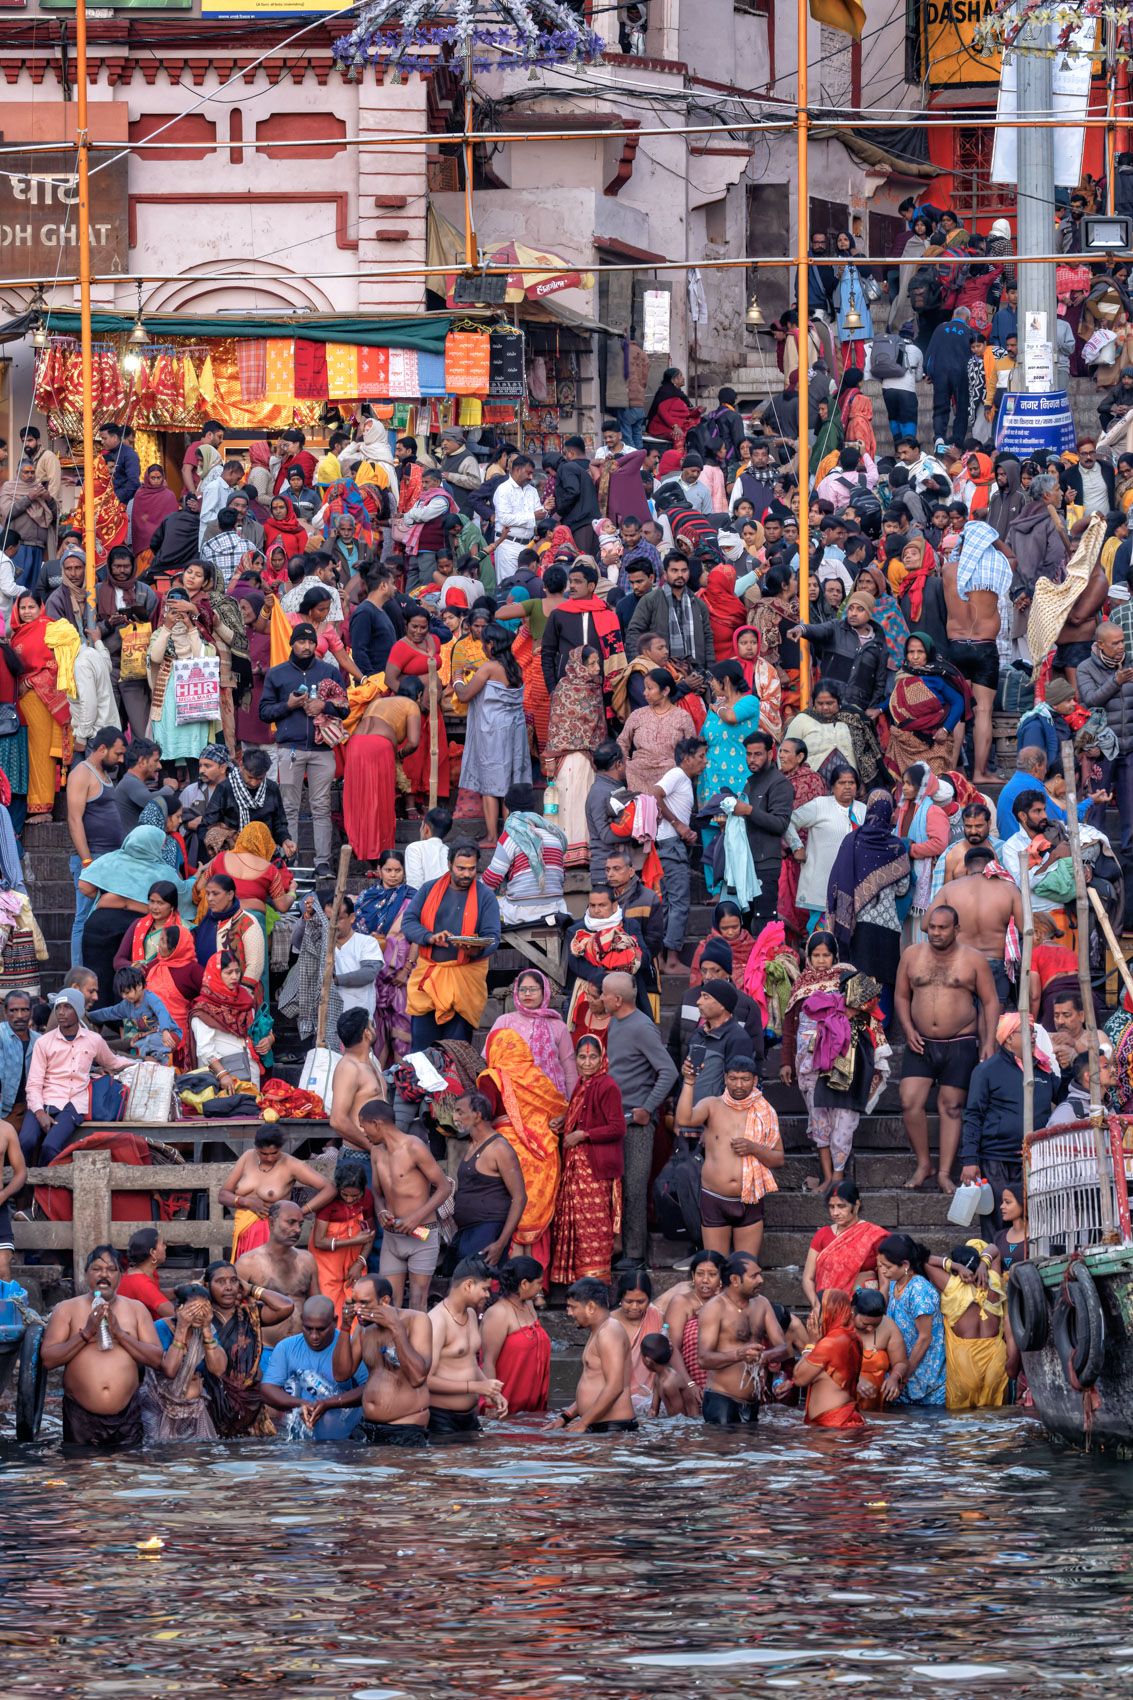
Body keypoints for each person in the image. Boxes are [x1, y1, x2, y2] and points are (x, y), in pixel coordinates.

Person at [895, 903, 1000, 1193]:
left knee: (951, 1106)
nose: (936, 932)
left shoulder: (974, 959)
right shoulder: (911, 955)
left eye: (943, 927)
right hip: (921, 1042)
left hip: (961, 1041)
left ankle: (944, 1172)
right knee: (909, 1100)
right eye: (932, 927)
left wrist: (989, 1041)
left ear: (956, 929)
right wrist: (907, 1029)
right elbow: (902, 997)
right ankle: (924, 1163)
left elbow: (990, 1001)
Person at [41, 1243, 163, 1448]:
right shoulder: (66, 1309)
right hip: (81, 1417)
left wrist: (120, 1334)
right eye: (97, 1269)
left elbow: (156, 1358)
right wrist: (86, 1333)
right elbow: (48, 1359)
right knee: (84, 1476)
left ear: (120, 1275)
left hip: (128, 1415)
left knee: (128, 1476)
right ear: (86, 1274)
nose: (103, 1274)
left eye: (111, 1269)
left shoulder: (136, 1309)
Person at [260, 621, 348, 880]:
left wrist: (324, 706)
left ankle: (322, 863)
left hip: (322, 750)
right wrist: (287, 705)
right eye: (302, 641)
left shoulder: (329, 671)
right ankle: (290, 859)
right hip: (290, 749)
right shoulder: (277, 674)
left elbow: (345, 707)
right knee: (288, 807)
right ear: (292, 643)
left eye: (311, 642)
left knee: (321, 806)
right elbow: (264, 712)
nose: (307, 646)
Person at [601, 971, 679, 1266]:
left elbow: (668, 1071)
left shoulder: (641, 1027)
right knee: (618, 1187)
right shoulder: (616, 1022)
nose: (600, 997)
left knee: (634, 1187)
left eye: (605, 993)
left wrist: (647, 1107)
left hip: (636, 1122)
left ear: (617, 999)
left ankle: (635, 1253)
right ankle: (620, 1246)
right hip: (616, 1119)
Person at [676, 1055, 783, 1259]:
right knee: (715, 1267)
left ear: (754, 1080)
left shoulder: (765, 1111)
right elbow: (683, 1119)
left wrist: (754, 1148)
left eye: (745, 1079)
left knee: (744, 1270)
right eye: (733, 1078)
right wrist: (689, 1082)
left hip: (749, 1198)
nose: (739, 1085)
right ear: (725, 1078)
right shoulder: (711, 1105)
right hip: (714, 1197)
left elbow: (778, 1159)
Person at [960, 1012, 1053, 1231]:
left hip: (1034, 1158)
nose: (1032, 1036)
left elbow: (1065, 1093)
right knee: (998, 1221)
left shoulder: (1043, 1068)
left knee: (1033, 1219)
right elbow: (973, 1115)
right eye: (1026, 1031)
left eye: (1033, 1031)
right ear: (1009, 1038)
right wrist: (969, 1159)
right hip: (996, 1159)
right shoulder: (986, 1071)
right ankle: (995, 1264)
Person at [402, 844, 500, 1046]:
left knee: (457, 1051)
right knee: (422, 1050)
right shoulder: (429, 889)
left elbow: (493, 937)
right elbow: (408, 922)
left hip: (464, 983)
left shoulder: (486, 896)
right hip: (429, 981)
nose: (466, 874)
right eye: (461, 868)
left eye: (471, 869)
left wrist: (475, 948)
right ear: (449, 865)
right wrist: (429, 937)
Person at [359, 1098, 452, 1311]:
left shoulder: (414, 1147)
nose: (364, 1133)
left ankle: (418, 1345)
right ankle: (392, 1346)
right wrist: (381, 1210)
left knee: (418, 1301)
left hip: (422, 1233)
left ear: (376, 1124)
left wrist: (415, 1218)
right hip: (393, 1236)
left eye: (364, 1127)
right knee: (388, 1301)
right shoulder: (376, 1152)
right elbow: (377, 1192)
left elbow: (444, 1188)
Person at [18, 992, 130, 1163]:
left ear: (78, 1010)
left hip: (73, 1104)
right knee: (26, 1141)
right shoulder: (44, 1042)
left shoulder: (94, 1040)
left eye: (68, 1007)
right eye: (59, 1008)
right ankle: (21, 1184)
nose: (61, 1012)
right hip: (44, 1101)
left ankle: (43, 1187)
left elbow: (113, 1062)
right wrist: (39, 1112)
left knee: (50, 1146)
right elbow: (34, 1083)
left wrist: (142, 1062)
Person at [550, 1035, 625, 1286]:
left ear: (602, 1058)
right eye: (582, 1057)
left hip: (595, 1167)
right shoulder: (583, 1084)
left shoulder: (607, 1086)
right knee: (578, 1223)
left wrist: (584, 1135)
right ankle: (578, 1282)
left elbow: (617, 1128)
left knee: (593, 1222)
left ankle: (594, 1282)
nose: (587, 1062)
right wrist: (564, 1120)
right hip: (578, 1164)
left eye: (593, 1057)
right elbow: (582, 1115)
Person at [825, 791, 911, 995]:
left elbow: (839, 879)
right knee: (886, 978)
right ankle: (884, 1024)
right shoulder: (895, 846)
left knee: (859, 977)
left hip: (856, 923)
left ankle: (860, 1025)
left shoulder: (851, 841)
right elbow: (902, 889)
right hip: (887, 924)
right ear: (889, 812)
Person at [453, 624, 531, 846]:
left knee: (491, 785)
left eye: (484, 642)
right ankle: (510, 836)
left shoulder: (489, 668)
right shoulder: (515, 667)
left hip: (493, 731)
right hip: (514, 729)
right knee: (508, 784)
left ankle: (492, 836)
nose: (482, 646)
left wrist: (458, 679)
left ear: (492, 644)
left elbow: (466, 695)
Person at [333, 1274, 432, 1447]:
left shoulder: (417, 1320)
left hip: (405, 1428)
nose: (357, 1309)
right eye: (354, 1302)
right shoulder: (363, 1329)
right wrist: (345, 1327)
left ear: (384, 1301)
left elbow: (418, 1378)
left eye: (364, 1303)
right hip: (368, 1426)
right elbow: (341, 1374)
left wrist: (395, 1327)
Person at [201, 1260, 292, 1438]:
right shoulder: (202, 1318)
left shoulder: (251, 1314)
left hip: (249, 1405)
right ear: (207, 1285)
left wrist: (251, 1289)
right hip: (210, 1401)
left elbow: (286, 1306)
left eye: (233, 1280)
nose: (228, 1287)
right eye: (220, 1282)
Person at [218, 1126, 336, 1263]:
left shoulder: (291, 1164)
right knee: (245, 1276)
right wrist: (246, 1202)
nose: (269, 1158)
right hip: (243, 1233)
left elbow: (330, 1189)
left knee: (269, 1278)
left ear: (281, 1148)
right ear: (256, 1148)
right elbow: (223, 1195)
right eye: (263, 1153)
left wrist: (300, 1212)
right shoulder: (247, 1157)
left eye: (274, 1153)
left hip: (273, 1234)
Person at [697, 1251, 787, 1426]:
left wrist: (765, 1356)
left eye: (760, 1274)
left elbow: (782, 1347)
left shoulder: (762, 1303)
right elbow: (703, 1359)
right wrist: (739, 1354)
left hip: (752, 1403)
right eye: (754, 1276)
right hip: (721, 1400)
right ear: (735, 1280)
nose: (761, 1280)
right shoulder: (715, 1308)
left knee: (750, 1452)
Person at [259, 1296, 367, 1441]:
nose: (314, 1336)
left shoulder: (351, 1346)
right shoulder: (286, 1347)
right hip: (298, 1427)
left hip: (342, 1431)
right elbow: (267, 1390)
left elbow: (369, 1389)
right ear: (302, 1320)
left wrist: (328, 1404)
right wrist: (302, 1404)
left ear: (335, 1321)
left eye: (321, 1329)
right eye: (308, 1328)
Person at [921, 1241, 1008, 1409]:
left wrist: (955, 1266)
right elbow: (994, 1248)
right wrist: (984, 1264)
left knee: (963, 1424)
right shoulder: (993, 1282)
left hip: (966, 1360)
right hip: (996, 1358)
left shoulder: (952, 1286)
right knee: (996, 1420)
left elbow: (923, 1259)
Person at [427, 1257, 508, 1435]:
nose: (488, 1295)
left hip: (470, 1417)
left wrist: (491, 1390)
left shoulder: (471, 1313)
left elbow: (469, 1361)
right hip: (441, 1419)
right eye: (485, 1289)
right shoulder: (437, 1320)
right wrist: (476, 1387)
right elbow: (425, 1380)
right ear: (468, 1285)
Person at [543, 645, 608, 867]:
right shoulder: (563, 688)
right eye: (591, 663)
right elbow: (557, 724)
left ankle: (584, 852)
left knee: (583, 802)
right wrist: (552, 757)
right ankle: (563, 852)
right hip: (567, 758)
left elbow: (598, 725)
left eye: (597, 663)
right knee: (566, 802)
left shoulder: (595, 688)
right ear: (578, 665)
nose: (596, 668)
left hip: (588, 758)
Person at [448, 1089, 528, 1264]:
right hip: (467, 1231)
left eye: (460, 1111)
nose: (455, 1117)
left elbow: (520, 1197)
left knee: (480, 1286)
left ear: (477, 1115)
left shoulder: (499, 1148)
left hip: (488, 1231)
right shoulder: (471, 1145)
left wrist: (501, 1243)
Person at [234, 1199, 324, 1349]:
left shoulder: (307, 1260)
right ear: (271, 1223)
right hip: (264, 1348)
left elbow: (317, 1304)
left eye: (300, 1224)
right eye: (291, 1222)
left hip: (302, 1347)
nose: (297, 1230)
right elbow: (230, 1307)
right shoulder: (248, 1263)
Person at [143, 1282, 226, 1444]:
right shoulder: (160, 1328)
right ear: (178, 1309)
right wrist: (182, 1327)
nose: (198, 1314)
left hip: (194, 1408)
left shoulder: (207, 1329)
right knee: (160, 1454)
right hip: (158, 1405)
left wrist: (207, 1329)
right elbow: (170, 1370)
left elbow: (218, 1369)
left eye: (203, 1310)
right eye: (192, 1310)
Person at [785, 766, 865, 931]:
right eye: (842, 783)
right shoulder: (820, 805)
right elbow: (788, 821)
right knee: (821, 937)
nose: (847, 786)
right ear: (832, 787)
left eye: (851, 782)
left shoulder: (863, 810)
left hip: (853, 885)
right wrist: (797, 846)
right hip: (821, 883)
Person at [554, 1276, 637, 1434]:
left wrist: (583, 1423)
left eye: (573, 1307)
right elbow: (595, 1383)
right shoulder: (598, 1331)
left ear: (591, 1307)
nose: (569, 1312)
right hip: (599, 1426)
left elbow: (615, 1386)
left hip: (613, 1429)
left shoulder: (609, 1332)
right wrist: (565, 1417)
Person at [875, 1233, 946, 1406]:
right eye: (880, 1266)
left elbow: (924, 1338)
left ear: (905, 1265)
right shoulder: (895, 1282)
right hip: (902, 1370)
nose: (883, 1271)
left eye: (887, 1267)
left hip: (925, 1376)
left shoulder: (919, 1290)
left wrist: (902, 1377)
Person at [479, 1255, 551, 1415]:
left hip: (532, 1405)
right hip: (505, 1405)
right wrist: (491, 1404)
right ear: (524, 1284)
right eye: (538, 1283)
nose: (540, 1288)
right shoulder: (498, 1313)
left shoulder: (529, 1305)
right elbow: (488, 1362)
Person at [800, 1180, 886, 1310]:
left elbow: (885, 1283)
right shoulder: (822, 1234)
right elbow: (807, 1278)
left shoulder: (874, 1235)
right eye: (831, 1207)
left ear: (856, 1205)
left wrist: (878, 1311)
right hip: (827, 1309)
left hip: (862, 1310)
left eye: (841, 1206)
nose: (835, 1213)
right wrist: (817, 1306)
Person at [310, 1156, 376, 1325]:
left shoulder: (367, 1197)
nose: (349, 1199)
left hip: (354, 1261)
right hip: (326, 1263)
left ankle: (352, 1346)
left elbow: (370, 1233)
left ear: (363, 1190)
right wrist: (353, 1241)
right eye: (345, 1194)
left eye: (355, 1196)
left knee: (355, 1303)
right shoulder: (328, 1201)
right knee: (327, 1304)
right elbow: (319, 1241)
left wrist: (360, 1262)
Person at [851, 1288, 907, 1410]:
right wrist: (854, 1380)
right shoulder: (840, 1326)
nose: (870, 1329)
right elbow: (826, 1366)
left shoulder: (889, 1326)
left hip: (876, 1405)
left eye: (876, 1325)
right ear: (852, 1311)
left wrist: (894, 1378)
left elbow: (901, 1362)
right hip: (843, 1403)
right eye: (865, 1324)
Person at [115, 1226, 176, 1321]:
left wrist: (182, 1289)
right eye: (162, 1244)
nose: (165, 1247)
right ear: (153, 1252)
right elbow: (172, 1313)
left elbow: (154, 1294)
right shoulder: (141, 1283)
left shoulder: (140, 1273)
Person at [640, 1332, 702, 1416]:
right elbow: (653, 1410)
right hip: (677, 1421)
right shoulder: (658, 1377)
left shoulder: (670, 1383)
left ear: (647, 1360)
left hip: (689, 1424)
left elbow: (679, 1418)